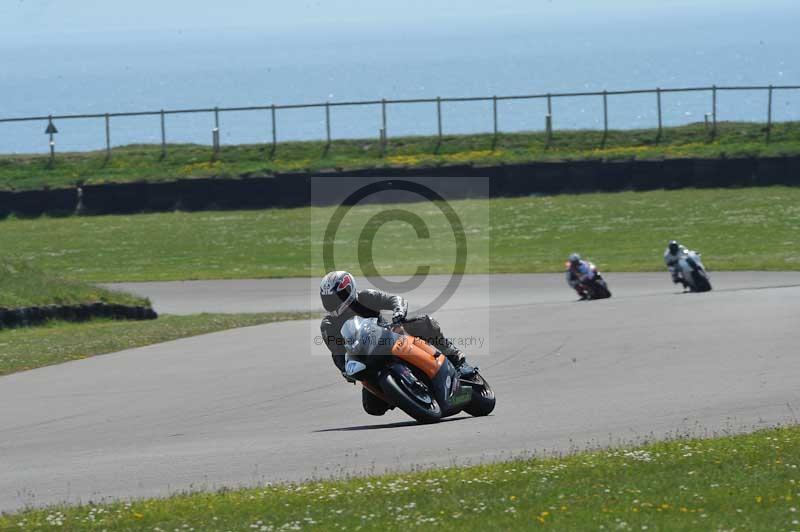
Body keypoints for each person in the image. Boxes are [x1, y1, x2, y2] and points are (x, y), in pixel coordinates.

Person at [319, 270, 473, 416]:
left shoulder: (365, 297)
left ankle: (456, 359)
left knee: (425, 323)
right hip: (365, 356)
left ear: (349, 291)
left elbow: (393, 299)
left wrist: (398, 311)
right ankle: (403, 394)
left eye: (336, 297)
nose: (332, 303)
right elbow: (336, 352)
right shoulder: (328, 325)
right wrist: (344, 369)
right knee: (373, 407)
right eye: (328, 299)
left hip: (389, 336)